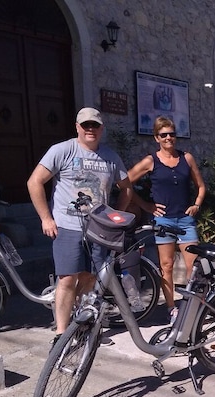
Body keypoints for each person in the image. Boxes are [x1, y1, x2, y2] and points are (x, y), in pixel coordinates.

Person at [27, 107, 133, 344]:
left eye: (94, 125)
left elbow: (126, 188)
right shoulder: (62, 150)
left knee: (89, 279)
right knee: (66, 279)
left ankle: (83, 325)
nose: (90, 129)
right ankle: (61, 334)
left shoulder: (110, 157)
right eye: (85, 125)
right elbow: (34, 182)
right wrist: (46, 218)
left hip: (98, 229)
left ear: (101, 129)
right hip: (68, 226)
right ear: (77, 127)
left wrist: (117, 216)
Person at [127, 116, 206, 324]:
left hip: (185, 220)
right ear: (156, 138)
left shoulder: (186, 158)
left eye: (171, 134)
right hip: (164, 222)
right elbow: (124, 182)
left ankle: (193, 306)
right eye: (164, 135)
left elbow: (201, 186)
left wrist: (197, 204)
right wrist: (146, 206)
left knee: (194, 266)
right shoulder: (151, 161)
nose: (168, 138)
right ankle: (172, 309)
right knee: (167, 266)